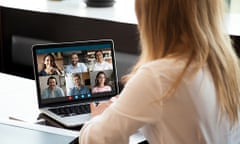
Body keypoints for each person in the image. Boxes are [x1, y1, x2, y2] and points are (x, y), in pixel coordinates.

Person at [79, 0, 240, 144]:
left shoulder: (159, 76)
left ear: (150, 16)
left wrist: (98, 117)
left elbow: (99, 139)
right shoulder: (226, 67)